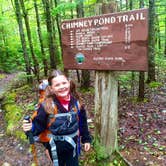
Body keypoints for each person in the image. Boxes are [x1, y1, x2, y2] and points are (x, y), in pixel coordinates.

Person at [23, 70, 91, 166]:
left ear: (69, 82)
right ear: (51, 88)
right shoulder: (47, 106)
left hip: (73, 146)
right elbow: (38, 126)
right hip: (55, 147)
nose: (62, 87)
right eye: (57, 85)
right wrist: (30, 128)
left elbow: (82, 122)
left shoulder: (77, 102)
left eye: (64, 83)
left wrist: (86, 139)